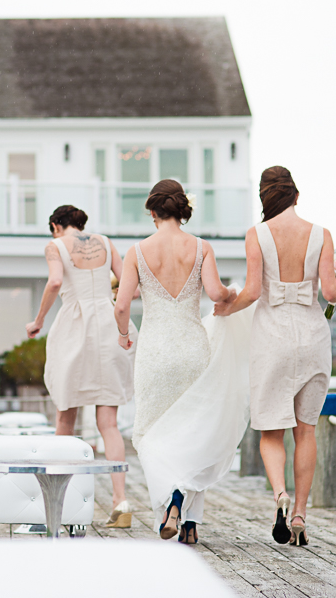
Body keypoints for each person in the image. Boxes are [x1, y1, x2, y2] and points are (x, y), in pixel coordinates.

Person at [114, 180, 252, 545]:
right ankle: (189, 522)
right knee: (196, 430)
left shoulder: (137, 251)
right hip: (194, 348)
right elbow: (215, 293)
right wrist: (232, 294)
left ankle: (171, 503)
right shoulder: (201, 247)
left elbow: (122, 305)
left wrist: (122, 333)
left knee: (152, 432)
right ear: (182, 209)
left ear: (153, 211)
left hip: (156, 351)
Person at [218, 166, 336, 547]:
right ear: (296, 195)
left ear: (264, 198)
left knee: (270, 430)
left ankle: (280, 496)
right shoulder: (321, 234)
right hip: (311, 334)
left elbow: (253, 291)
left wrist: (226, 309)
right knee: (306, 429)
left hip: (272, 335)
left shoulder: (257, 234)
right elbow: (332, 294)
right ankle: (301, 513)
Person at [25, 204, 134, 526]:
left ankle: (61, 502)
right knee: (109, 422)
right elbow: (131, 284)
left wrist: (39, 319)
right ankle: (121, 501)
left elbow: (56, 282)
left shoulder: (55, 245)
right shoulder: (106, 241)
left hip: (75, 326)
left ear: (56, 226)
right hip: (109, 322)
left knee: (65, 416)